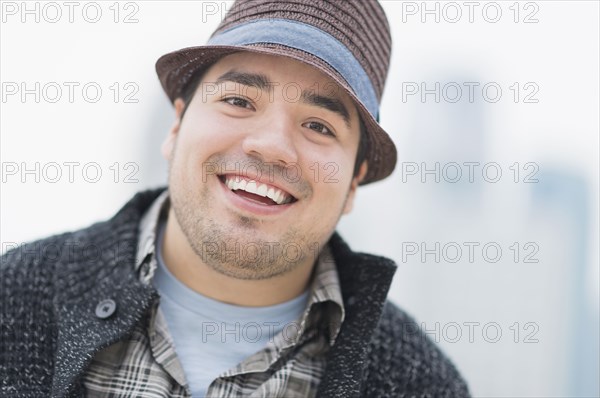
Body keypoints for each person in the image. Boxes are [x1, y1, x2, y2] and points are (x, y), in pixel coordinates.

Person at [0, 0, 470, 396]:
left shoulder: (421, 382)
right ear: (177, 126)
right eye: (239, 101)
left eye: (319, 126)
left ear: (352, 183)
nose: (271, 146)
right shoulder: (13, 300)